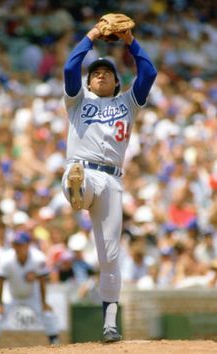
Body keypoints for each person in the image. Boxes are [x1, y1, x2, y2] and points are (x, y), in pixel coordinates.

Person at [62, 24, 157, 343]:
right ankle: (77, 190)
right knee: (79, 176)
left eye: (107, 71)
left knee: (110, 257)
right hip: (82, 169)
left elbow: (149, 72)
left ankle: (110, 324)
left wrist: (130, 42)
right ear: (88, 81)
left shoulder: (128, 103)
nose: (101, 74)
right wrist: (90, 36)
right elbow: (69, 67)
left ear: (118, 81)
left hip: (113, 180)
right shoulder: (76, 100)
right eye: (96, 71)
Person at [0, 231, 60, 352]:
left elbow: (43, 281)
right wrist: (0, 303)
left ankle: (54, 341)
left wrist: (44, 302)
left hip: (32, 294)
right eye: (15, 244)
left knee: (47, 314)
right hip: (11, 294)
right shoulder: (6, 258)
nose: (17, 247)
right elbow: (0, 281)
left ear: (28, 244)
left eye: (20, 244)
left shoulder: (38, 257)